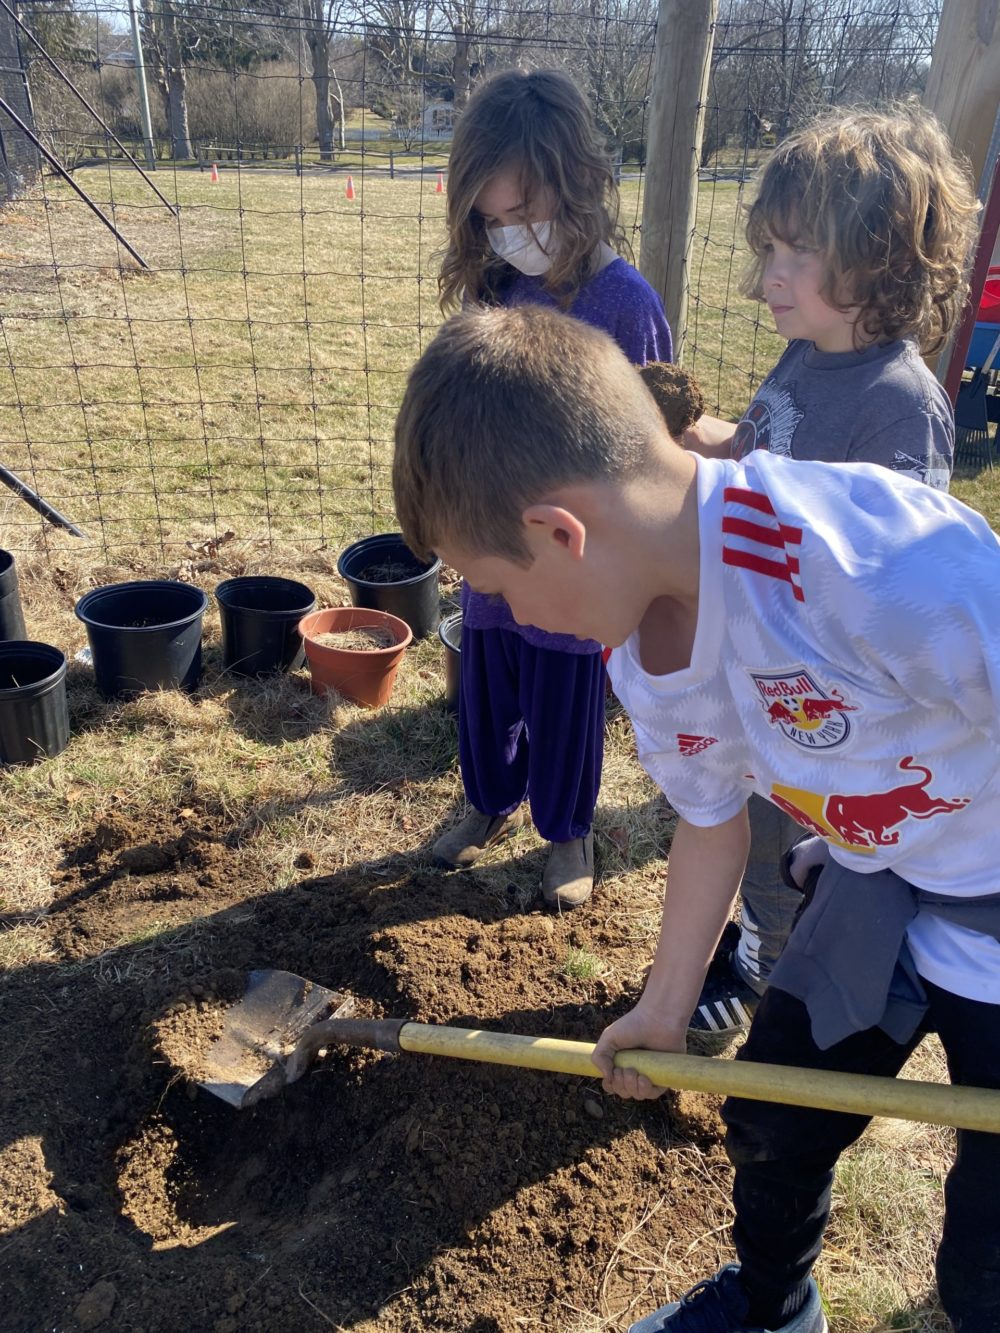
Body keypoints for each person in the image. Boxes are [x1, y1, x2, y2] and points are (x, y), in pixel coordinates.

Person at [392, 302, 1000, 1333]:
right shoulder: (646, 654)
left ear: (558, 532)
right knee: (773, 1117)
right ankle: (769, 1308)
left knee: (986, 1250)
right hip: (875, 880)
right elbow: (712, 824)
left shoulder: (876, 571)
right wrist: (664, 1008)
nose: (510, 619)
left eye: (498, 589)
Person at [678, 103, 979, 1035]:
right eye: (767, 248)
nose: (768, 276)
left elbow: (893, 581)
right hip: (764, 653)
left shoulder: (900, 406)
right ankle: (763, 924)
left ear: (880, 259)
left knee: (792, 833)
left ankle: (775, 959)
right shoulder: (805, 357)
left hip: (824, 690)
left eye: (794, 253)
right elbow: (769, 448)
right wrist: (706, 445)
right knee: (754, 804)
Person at [432, 66, 672, 909]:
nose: (510, 236)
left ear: (576, 188)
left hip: (577, 554)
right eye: (493, 221)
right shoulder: (495, 284)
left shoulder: (624, 302)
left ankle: (567, 830)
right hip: (498, 538)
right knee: (491, 667)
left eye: (525, 216)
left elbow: (650, 443)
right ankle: (485, 800)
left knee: (564, 686)